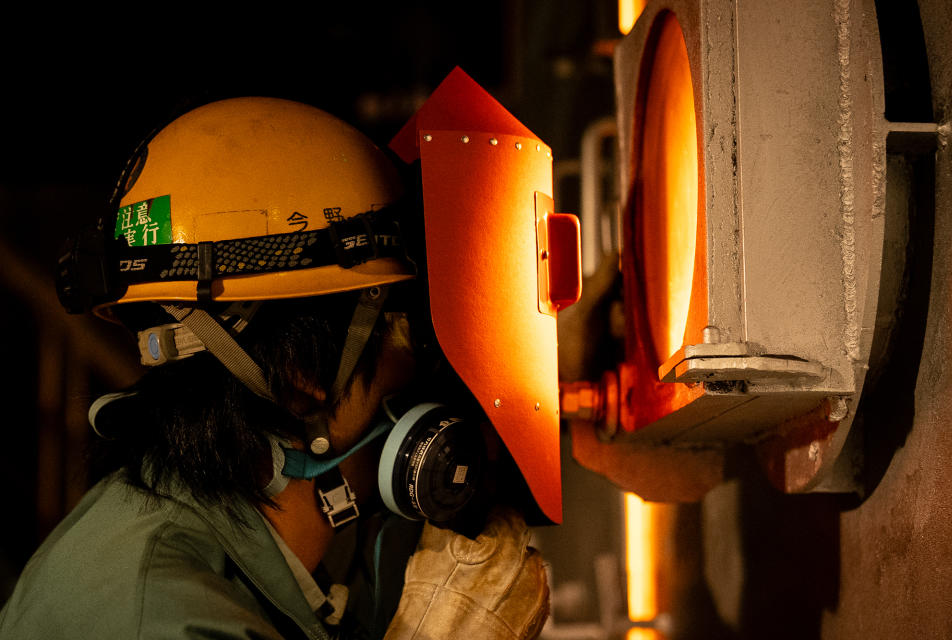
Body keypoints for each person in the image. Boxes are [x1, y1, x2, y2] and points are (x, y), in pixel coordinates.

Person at [0, 69, 578, 640]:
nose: (429, 367)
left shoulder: (204, 550)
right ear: (304, 380)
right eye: (411, 334)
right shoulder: (162, 619)